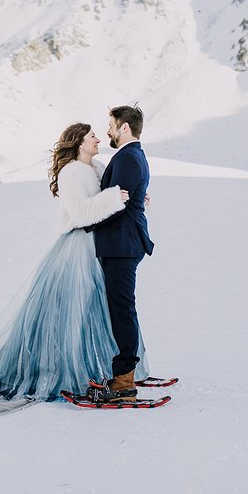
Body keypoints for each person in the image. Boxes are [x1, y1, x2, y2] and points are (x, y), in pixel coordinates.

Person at [0, 123, 149, 422]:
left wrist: (132, 201)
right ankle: (57, 372)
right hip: (78, 249)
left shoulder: (96, 167)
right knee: (69, 314)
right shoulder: (71, 173)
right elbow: (82, 213)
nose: (98, 139)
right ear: (79, 143)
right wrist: (113, 200)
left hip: (98, 247)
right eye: (92, 135)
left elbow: (113, 198)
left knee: (95, 313)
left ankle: (102, 371)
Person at [84, 105, 154, 403]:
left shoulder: (128, 157)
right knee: (121, 306)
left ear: (125, 127)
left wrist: (84, 220)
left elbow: (117, 202)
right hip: (122, 243)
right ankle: (125, 373)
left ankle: (124, 380)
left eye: (111, 125)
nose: (108, 131)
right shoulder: (132, 156)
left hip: (122, 244)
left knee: (122, 308)